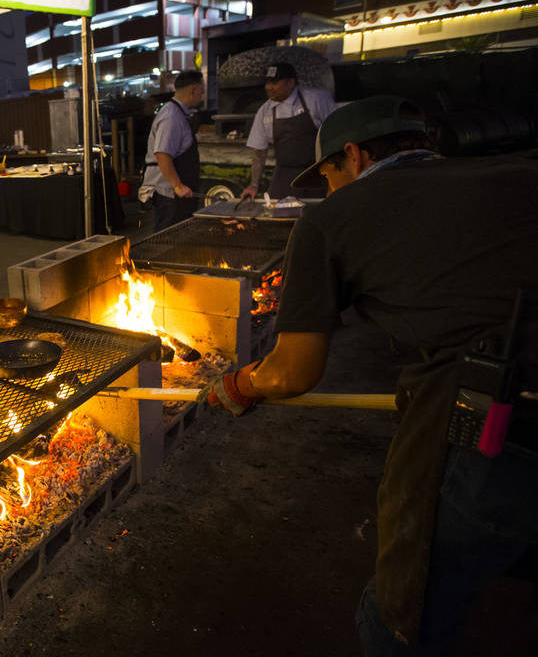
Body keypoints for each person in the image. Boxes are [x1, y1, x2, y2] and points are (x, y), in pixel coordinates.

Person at [200, 95, 538, 656]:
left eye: (328, 174)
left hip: (502, 423)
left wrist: (238, 385)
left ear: (352, 156)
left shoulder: (331, 221)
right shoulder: (516, 172)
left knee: (400, 614)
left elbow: (293, 372)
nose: (328, 189)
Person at [241, 62, 336, 200]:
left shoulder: (316, 99)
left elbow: (335, 134)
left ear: (290, 82)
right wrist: (253, 185)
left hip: (316, 173)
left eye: (274, 82)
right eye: (267, 83)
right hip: (284, 176)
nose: (269, 87)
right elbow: (259, 152)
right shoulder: (265, 111)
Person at [140, 70, 206, 232]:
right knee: (167, 239)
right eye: (201, 91)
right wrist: (178, 186)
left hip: (175, 193)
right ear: (194, 91)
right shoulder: (171, 116)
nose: (202, 95)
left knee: (179, 237)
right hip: (168, 194)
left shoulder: (178, 113)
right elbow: (162, 154)